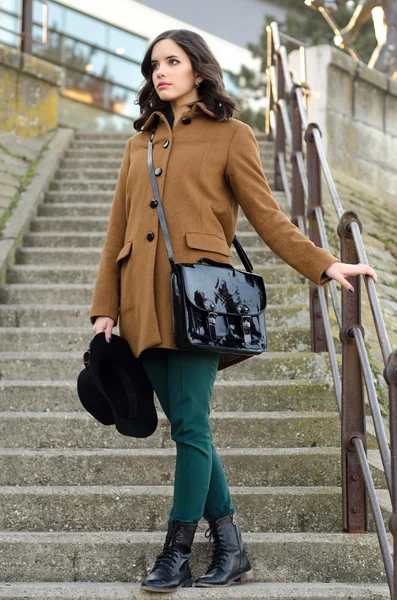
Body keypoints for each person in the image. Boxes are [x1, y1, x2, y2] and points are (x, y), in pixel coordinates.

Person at [90, 29, 377, 594]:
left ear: (198, 67)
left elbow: (268, 218)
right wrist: (105, 309)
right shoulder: (137, 143)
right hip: (140, 305)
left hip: (200, 303)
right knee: (188, 429)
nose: (160, 73)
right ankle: (231, 546)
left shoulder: (231, 135)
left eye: (172, 61)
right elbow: (116, 232)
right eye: (153, 65)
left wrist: (324, 266)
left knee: (192, 426)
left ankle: (175, 553)